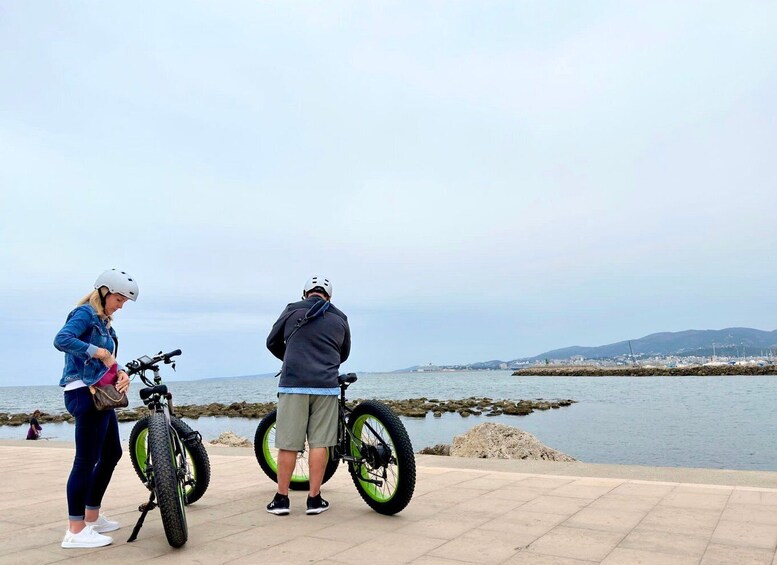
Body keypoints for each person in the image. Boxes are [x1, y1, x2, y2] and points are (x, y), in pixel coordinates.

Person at [53, 269, 138, 549]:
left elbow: (110, 360)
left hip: (101, 394)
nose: (121, 304)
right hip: (83, 392)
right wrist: (97, 352)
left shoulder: (105, 324)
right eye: (118, 298)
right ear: (103, 291)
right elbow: (62, 340)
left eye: (124, 301)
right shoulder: (85, 315)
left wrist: (121, 372)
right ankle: (75, 531)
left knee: (112, 452)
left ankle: (92, 516)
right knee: (85, 460)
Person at [266, 275, 351, 515]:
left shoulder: (292, 310)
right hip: (325, 385)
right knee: (320, 443)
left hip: (294, 383)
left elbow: (272, 342)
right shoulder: (339, 317)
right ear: (329, 297)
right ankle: (314, 500)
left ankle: (282, 500)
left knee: (288, 444)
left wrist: (292, 358)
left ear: (305, 294)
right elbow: (343, 353)